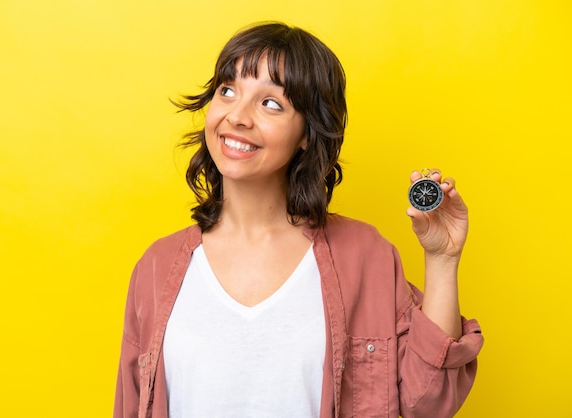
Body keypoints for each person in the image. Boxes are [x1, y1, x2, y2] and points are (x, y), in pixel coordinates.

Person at [114, 22, 483, 418]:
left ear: (307, 132)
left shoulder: (365, 256)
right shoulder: (156, 267)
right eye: (228, 90)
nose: (237, 116)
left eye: (271, 103)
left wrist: (442, 261)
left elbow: (426, 403)